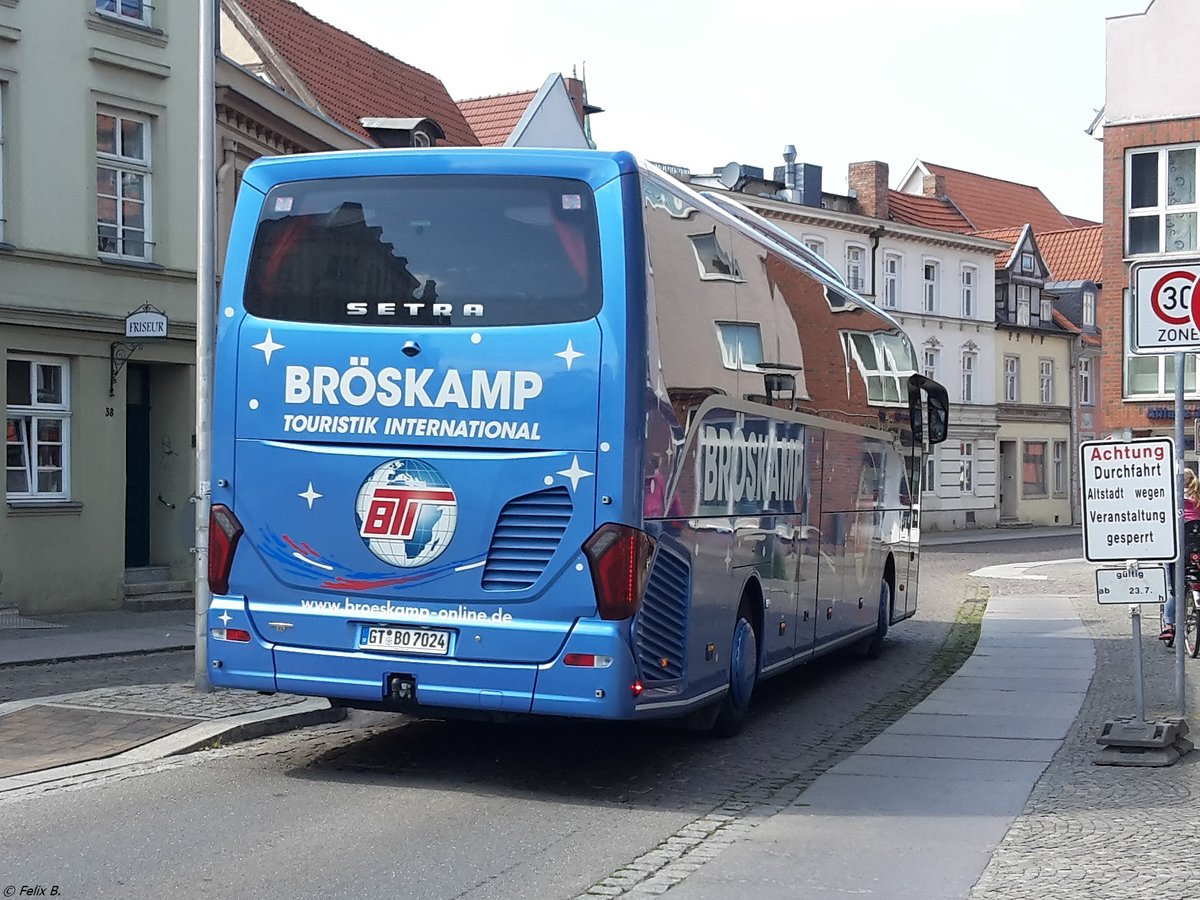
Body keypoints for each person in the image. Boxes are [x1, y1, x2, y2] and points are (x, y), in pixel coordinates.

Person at [1160, 468, 1200, 642]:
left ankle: (1169, 626)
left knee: (1172, 589)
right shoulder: (1198, 500)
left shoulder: (1174, 501)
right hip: (1197, 551)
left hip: (1176, 552)